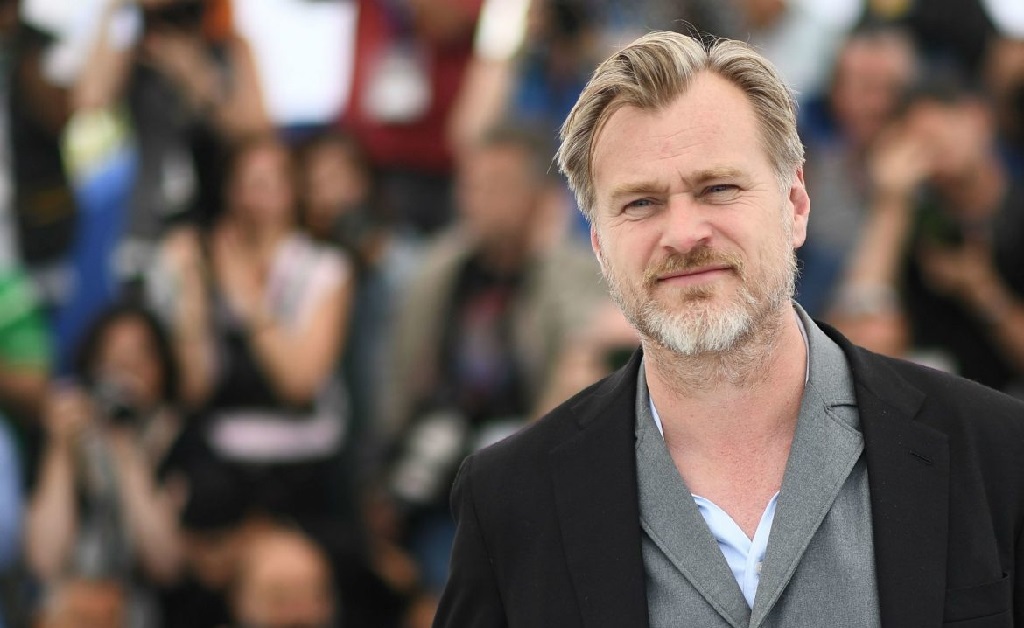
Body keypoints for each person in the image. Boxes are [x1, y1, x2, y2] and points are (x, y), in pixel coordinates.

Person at [433, 31, 1024, 627]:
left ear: (795, 204)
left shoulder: (996, 450)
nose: (683, 234)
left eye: (718, 188)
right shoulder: (508, 501)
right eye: (640, 203)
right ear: (599, 244)